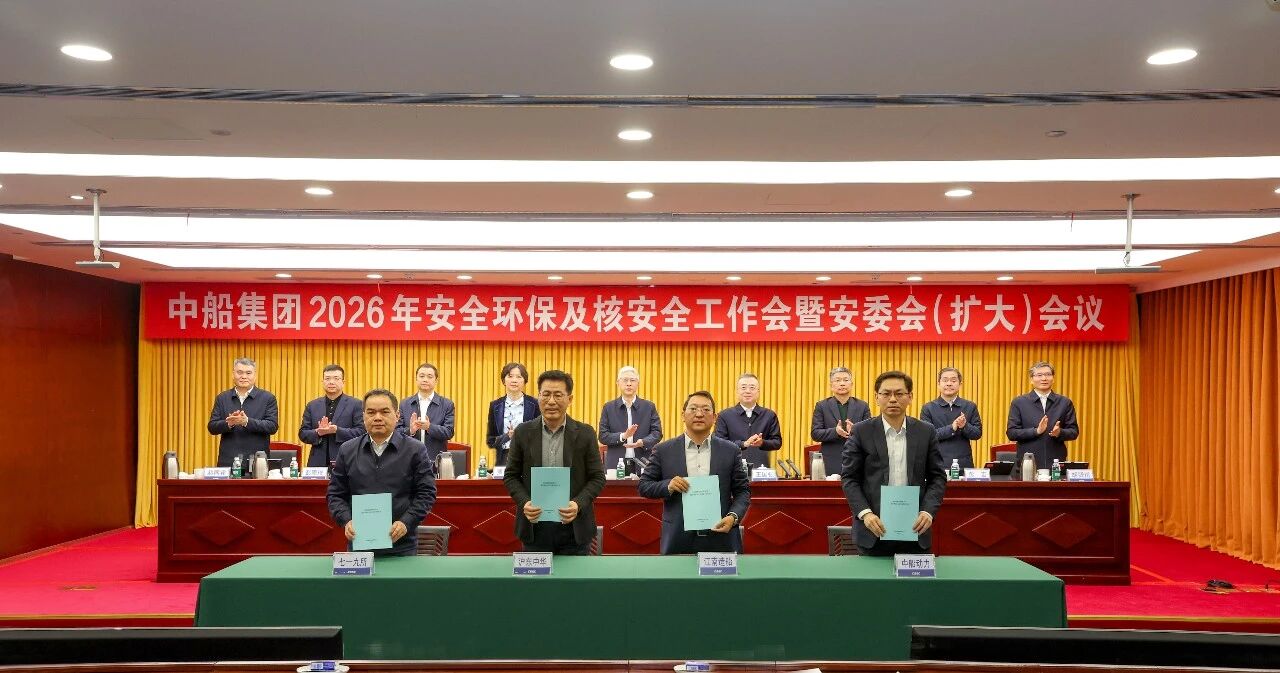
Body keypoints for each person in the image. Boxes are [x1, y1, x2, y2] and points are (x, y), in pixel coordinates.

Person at [840, 370, 947, 556]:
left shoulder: (926, 431)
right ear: (876, 397)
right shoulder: (861, 431)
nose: (892, 399)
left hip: (915, 529)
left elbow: (937, 477)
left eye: (899, 393)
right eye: (886, 393)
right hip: (873, 530)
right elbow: (849, 478)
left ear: (910, 397)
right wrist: (865, 513)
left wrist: (928, 512)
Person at [502, 370, 605, 555]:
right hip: (534, 529)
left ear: (569, 399)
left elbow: (597, 477)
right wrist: (525, 502)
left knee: (575, 575)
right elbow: (511, 476)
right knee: (536, 575)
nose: (551, 401)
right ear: (538, 397)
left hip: (575, 530)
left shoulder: (585, 433)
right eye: (546, 394)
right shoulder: (523, 432)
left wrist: (578, 504)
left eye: (558, 395)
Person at [326, 389, 437, 556]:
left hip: (402, 546)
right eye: (371, 412)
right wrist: (346, 520)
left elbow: (426, 493)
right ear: (363, 416)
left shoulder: (415, 449)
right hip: (359, 546)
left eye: (385, 412)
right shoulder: (347, 450)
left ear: (397, 415)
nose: (377, 417)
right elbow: (335, 494)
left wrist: (406, 522)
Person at [638, 391, 750, 554]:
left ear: (715, 417)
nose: (699, 414)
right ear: (683, 415)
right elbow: (644, 486)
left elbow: (743, 491)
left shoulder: (730, 450)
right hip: (677, 538)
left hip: (721, 538)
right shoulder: (664, 450)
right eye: (693, 409)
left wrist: (733, 516)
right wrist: (668, 485)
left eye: (706, 409)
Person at [206, 357, 279, 467]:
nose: (244, 376)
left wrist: (247, 421)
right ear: (233, 374)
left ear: (255, 375)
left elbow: (272, 426)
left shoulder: (267, 398)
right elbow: (212, 427)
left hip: (257, 461)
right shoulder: (222, 398)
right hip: (228, 461)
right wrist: (229, 423)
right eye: (239, 372)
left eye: (248, 373)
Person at [1006, 361, 1079, 469]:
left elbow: (1074, 432)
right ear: (1031, 379)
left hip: (1056, 462)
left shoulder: (1064, 402)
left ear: (1053, 378)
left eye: (1048, 374)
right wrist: (1036, 431)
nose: (1044, 378)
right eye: (1039, 375)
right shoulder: (1019, 402)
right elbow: (1011, 433)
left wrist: (1060, 432)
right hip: (1028, 463)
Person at [598, 365, 663, 474]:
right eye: (625, 380)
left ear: (638, 383)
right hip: (616, 464)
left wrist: (643, 442)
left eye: (632, 380)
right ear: (618, 383)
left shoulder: (649, 407)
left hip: (643, 462)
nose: (629, 383)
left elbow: (657, 433)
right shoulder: (608, 407)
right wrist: (623, 436)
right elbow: (603, 436)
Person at [298, 364, 365, 468]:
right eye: (327, 378)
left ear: (343, 382)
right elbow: (303, 433)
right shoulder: (312, 405)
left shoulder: (356, 404)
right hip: (317, 463)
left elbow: (362, 432)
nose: (331, 382)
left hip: (347, 460)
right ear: (322, 382)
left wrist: (337, 430)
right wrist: (318, 432)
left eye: (336, 378)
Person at [810, 366, 872, 476]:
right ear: (831, 386)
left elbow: (870, 435)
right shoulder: (822, 406)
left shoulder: (862, 406)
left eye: (845, 380)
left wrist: (855, 431)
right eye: (838, 380)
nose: (842, 383)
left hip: (857, 459)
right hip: (830, 460)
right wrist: (835, 432)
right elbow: (815, 433)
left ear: (851, 384)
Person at [919, 367, 984, 471]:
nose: (949, 384)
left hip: (963, 464)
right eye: (945, 380)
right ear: (938, 384)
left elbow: (977, 434)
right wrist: (952, 428)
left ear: (960, 384)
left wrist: (964, 426)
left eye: (953, 381)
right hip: (937, 464)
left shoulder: (970, 406)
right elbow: (927, 436)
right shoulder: (928, 408)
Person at [713, 372, 782, 469]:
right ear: (737, 391)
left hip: (760, 470)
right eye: (743, 387)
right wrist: (743, 444)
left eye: (752, 388)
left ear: (758, 391)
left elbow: (777, 442)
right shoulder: (724, 415)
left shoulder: (769, 415)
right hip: (731, 469)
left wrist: (762, 443)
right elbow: (718, 443)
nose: (748, 391)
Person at [394, 362, 456, 463]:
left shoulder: (446, 404)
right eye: (421, 376)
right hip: (409, 460)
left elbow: (449, 432)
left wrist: (429, 427)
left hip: (435, 460)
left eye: (429, 376)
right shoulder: (405, 404)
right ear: (416, 379)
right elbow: (396, 432)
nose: (425, 379)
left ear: (436, 381)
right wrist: (411, 430)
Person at [486, 361, 540, 467]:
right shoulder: (495, 406)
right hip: (503, 459)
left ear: (524, 381)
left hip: (529, 458)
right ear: (504, 380)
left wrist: (522, 437)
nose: (514, 380)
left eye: (519, 377)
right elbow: (490, 441)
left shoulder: (535, 404)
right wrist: (507, 436)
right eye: (510, 376)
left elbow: (541, 436)